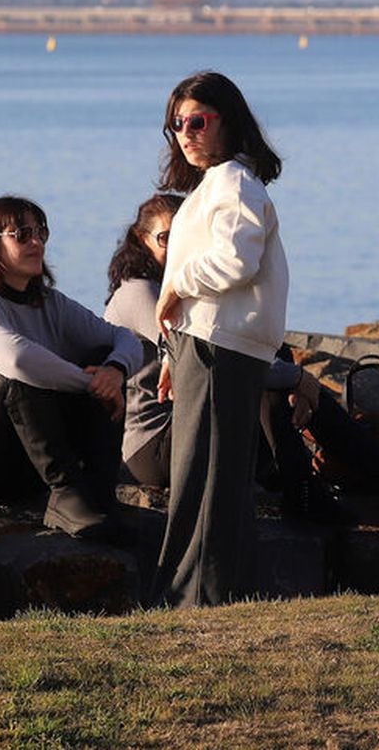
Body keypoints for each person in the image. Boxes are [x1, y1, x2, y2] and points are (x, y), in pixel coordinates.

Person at [105, 191, 356, 522]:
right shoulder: (141, 292)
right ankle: (309, 490)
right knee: (267, 379)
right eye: (166, 238)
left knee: (272, 352)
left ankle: (345, 476)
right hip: (155, 447)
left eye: (186, 236)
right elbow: (211, 360)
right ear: (141, 239)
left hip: (193, 424)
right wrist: (298, 378)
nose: (178, 246)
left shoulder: (182, 287)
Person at [150, 71, 289, 607]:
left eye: (197, 121)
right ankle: (210, 593)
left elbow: (238, 260)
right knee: (210, 474)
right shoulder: (216, 185)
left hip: (221, 348)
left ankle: (195, 599)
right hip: (208, 345)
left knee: (206, 478)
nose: (185, 133)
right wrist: (176, 349)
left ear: (227, 122)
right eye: (176, 125)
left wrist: (177, 288)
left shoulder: (232, 181)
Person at [0, 197, 142, 542]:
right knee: (19, 376)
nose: (36, 242)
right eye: (22, 234)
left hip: (26, 464)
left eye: (40, 232)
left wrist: (115, 371)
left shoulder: (49, 303)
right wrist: (91, 384)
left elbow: (125, 338)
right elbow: (16, 359)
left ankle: (98, 495)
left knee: (105, 355)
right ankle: (67, 494)